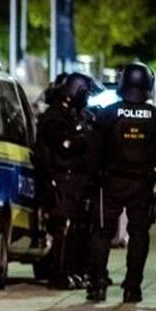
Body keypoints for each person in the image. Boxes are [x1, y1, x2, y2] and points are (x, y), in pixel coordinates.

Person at [86, 62, 156, 303]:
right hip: (142, 183)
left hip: (110, 182)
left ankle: (97, 284)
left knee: (101, 233)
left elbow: (94, 149)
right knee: (139, 234)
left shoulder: (108, 113)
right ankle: (133, 287)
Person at [35, 72, 97, 289]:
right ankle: (59, 274)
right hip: (61, 180)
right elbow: (65, 145)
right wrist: (86, 138)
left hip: (75, 181)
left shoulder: (75, 115)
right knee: (64, 227)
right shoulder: (55, 117)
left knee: (78, 227)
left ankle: (73, 270)